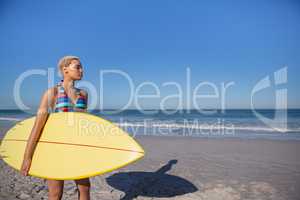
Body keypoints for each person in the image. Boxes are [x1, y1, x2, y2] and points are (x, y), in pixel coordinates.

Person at [20, 56, 90, 200]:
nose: (81, 70)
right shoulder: (52, 93)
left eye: (81, 67)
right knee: (56, 193)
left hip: (77, 148)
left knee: (85, 189)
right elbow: (38, 126)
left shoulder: (83, 94)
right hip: (56, 149)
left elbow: (83, 125)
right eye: (77, 67)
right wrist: (27, 157)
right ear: (65, 69)